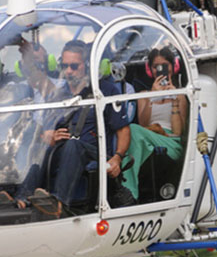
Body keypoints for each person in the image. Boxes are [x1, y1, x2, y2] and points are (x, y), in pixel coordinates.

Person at [18, 39, 131, 211]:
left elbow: (123, 130)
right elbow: (46, 129)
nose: (69, 71)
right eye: (65, 66)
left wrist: (117, 157)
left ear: (87, 65)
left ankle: (58, 201)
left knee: (73, 145)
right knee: (40, 154)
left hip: (95, 154)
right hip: (64, 151)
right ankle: (20, 199)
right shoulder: (58, 95)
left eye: (74, 66)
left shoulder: (105, 91)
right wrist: (48, 136)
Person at [121, 46, 188, 201]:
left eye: (165, 65)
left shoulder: (181, 94)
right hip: (147, 135)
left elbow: (178, 132)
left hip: (171, 140)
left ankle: (128, 190)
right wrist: (152, 96)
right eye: (156, 66)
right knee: (133, 132)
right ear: (150, 70)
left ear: (174, 67)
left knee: (133, 131)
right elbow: (144, 123)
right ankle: (130, 191)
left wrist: (174, 100)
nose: (160, 70)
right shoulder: (144, 95)